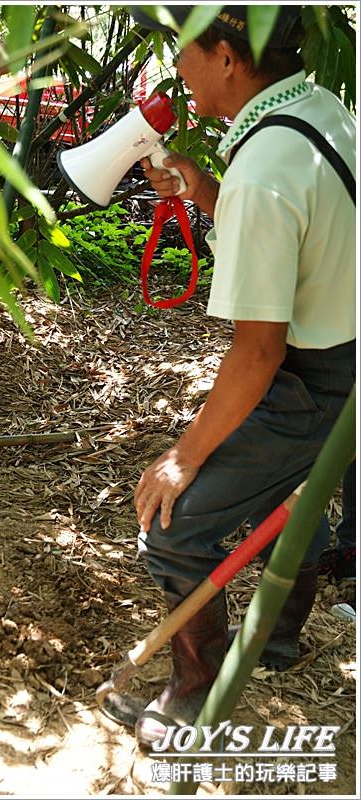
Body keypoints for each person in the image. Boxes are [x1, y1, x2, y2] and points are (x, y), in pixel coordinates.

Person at [127, 6, 355, 752]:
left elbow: (257, 353)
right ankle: (280, 637)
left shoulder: (263, 171)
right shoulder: (317, 109)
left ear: (226, 57)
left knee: (175, 525)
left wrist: (182, 455)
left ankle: (194, 701)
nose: (178, 70)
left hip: (320, 377)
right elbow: (296, 231)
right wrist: (200, 187)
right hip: (342, 349)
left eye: (184, 51)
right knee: (283, 486)